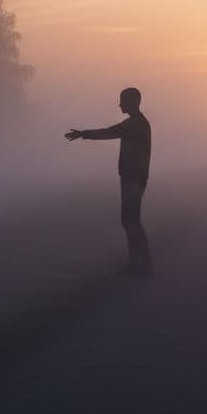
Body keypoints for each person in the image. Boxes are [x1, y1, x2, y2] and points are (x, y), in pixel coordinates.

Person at [66, 87, 154, 277]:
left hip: (133, 178)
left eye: (123, 100)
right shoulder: (139, 123)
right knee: (131, 220)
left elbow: (109, 132)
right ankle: (140, 263)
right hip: (135, 178)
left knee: (131, 220)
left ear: (133, 101)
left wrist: (83, 133)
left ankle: (140, 264)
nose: (120, 104)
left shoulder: (135, 124)